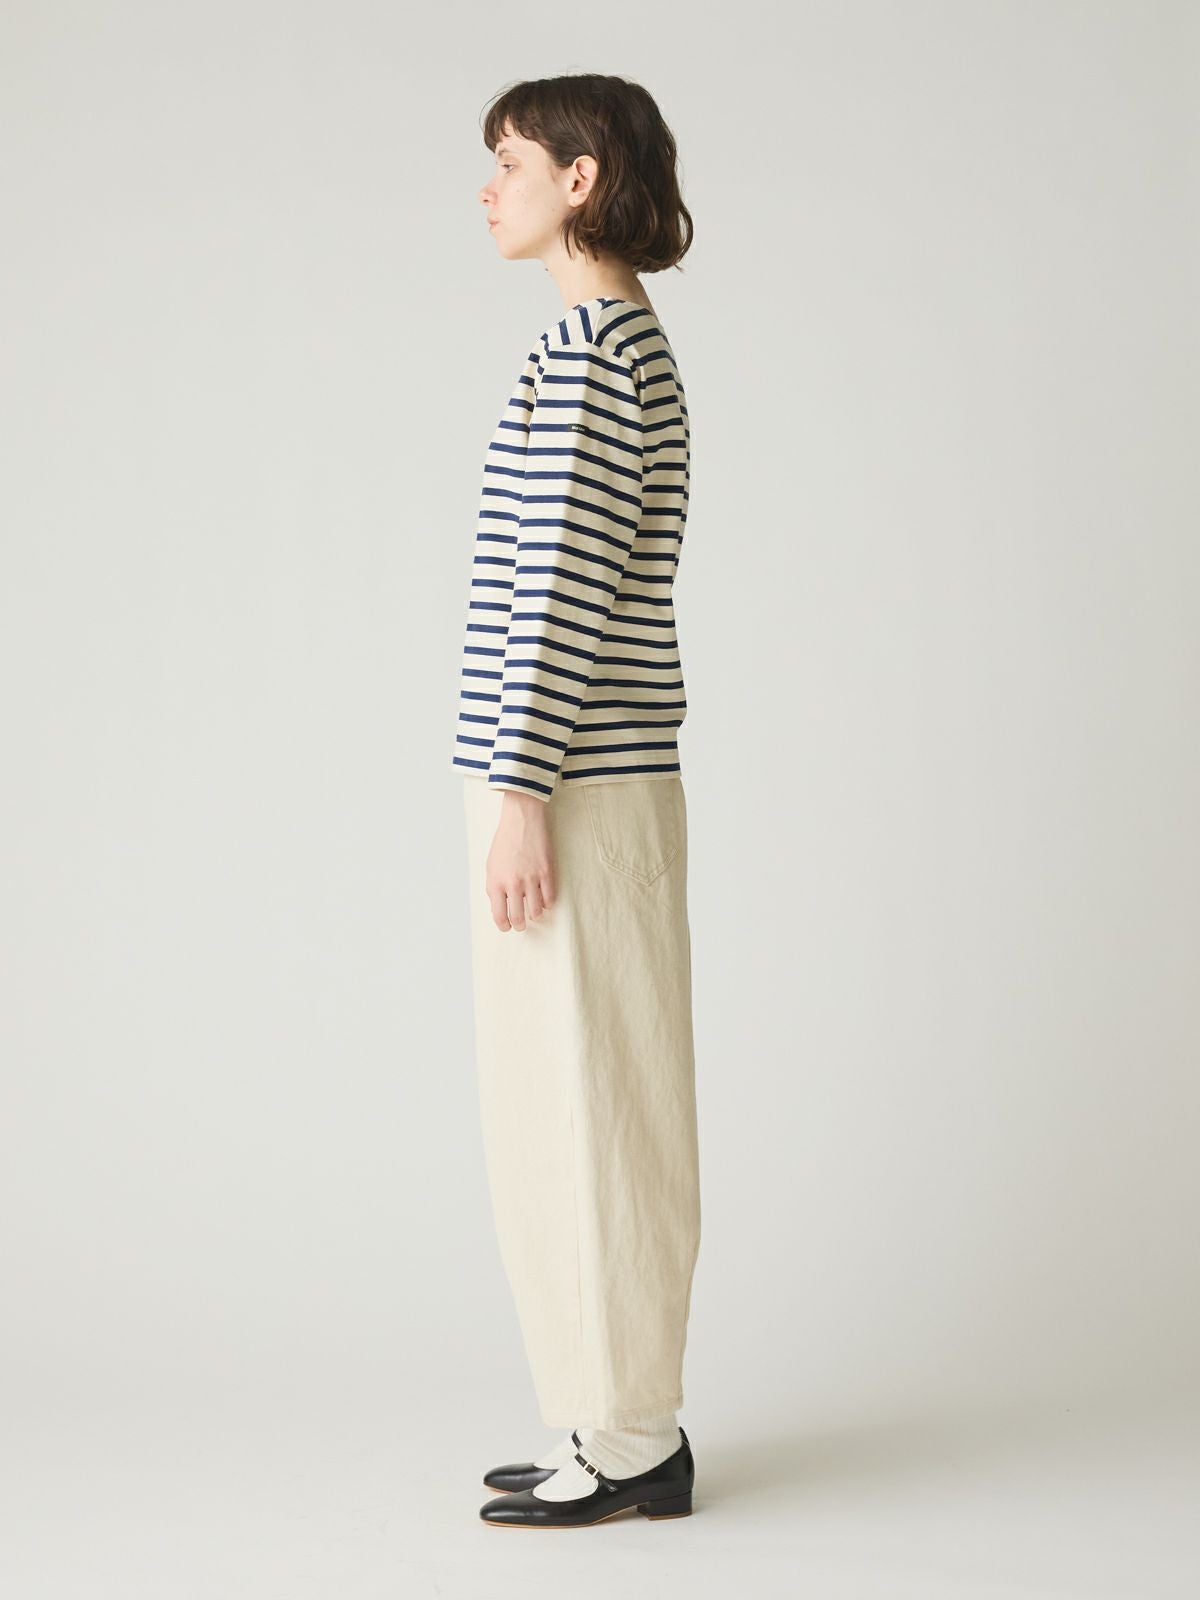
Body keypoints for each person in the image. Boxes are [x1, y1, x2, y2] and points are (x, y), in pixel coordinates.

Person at [451, 73, 701, 1528]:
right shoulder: (605, 345)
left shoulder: (597, 355)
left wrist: (521, 790)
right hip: (577, 779)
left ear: (582, 180)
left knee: (592, 1102)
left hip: (574, 787)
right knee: (576, 1099)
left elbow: (558, 586)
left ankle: (625, 1437)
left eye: (510, 161)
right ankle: (611, 1418)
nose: (489, 189)